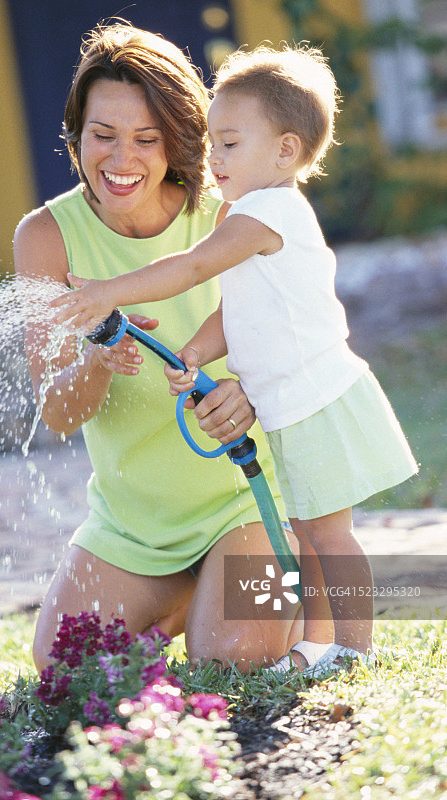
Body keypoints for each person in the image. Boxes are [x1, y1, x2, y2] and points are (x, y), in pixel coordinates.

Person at [52, 43, 419, 676]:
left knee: (326, 538)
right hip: (278, 418)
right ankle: (320, 642)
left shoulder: (260, 213)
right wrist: (195, 352)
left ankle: (354, 648)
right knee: (307, 535)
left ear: (283, 151)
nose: (214, 159)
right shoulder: (250, 208)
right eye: (213, 144)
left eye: (228, 144)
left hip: (313, 404)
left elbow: (193, 267)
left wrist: (108, 291)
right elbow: (238, 310)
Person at [15, 24, 333, 676]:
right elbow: (57, 414)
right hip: (132, 525)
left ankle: (244, 591)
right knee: (63, 669)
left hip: (246, 500)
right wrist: (96, 364)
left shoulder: (227, 212)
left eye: (146, 138)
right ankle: (189, 595)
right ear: (75, 134)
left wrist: (250, 392)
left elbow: (310, 330)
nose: (121, 158)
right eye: (102, 134)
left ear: (176, 138)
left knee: (231, 662)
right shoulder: (46, 237)